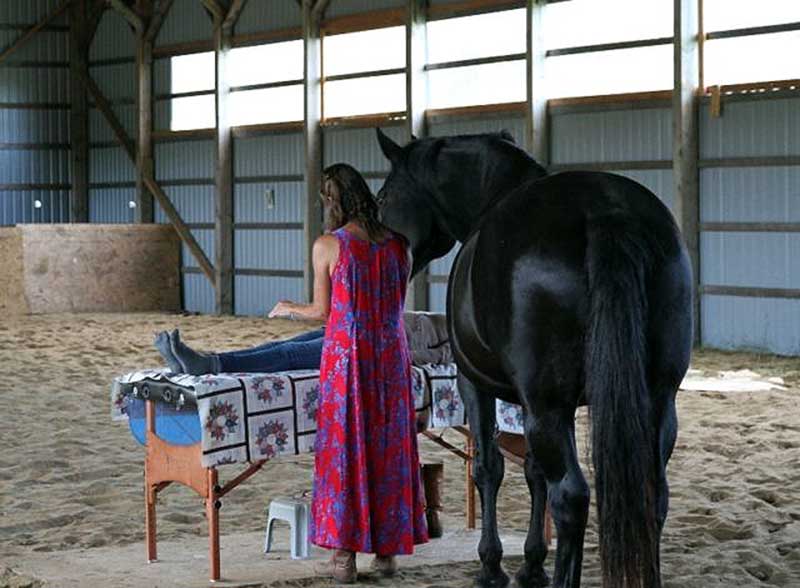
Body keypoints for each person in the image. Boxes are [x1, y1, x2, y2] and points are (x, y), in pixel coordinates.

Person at [273, 163, 429, 582]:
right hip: (393, 359)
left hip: (349, 361)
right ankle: (387, 553)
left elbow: (323, 313)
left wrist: (289, 308)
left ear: (332, 201)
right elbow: (394, 303)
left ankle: (343, 557)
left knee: (346, 448)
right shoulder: (401, 245)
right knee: (389, 448)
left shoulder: (329, 245)